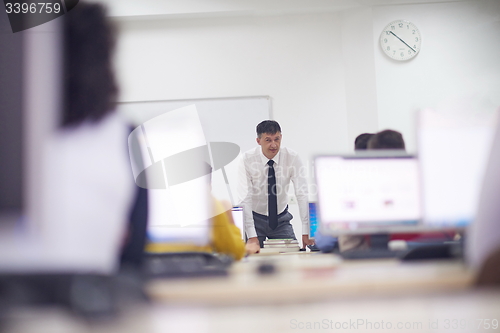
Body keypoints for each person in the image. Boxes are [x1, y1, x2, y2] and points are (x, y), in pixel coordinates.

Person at [239, 120, 314, 250]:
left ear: (281, 137)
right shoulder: (247, 159)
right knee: (252, 259)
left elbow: (302, 193)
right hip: (254, 218)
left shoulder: (292, 157)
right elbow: (245, 197)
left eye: (277, 139)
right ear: (258, 141)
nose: (273, 145)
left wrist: (306, 229)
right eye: (268, 140)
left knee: (293, 254)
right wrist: (251, 236)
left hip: (281, 219)